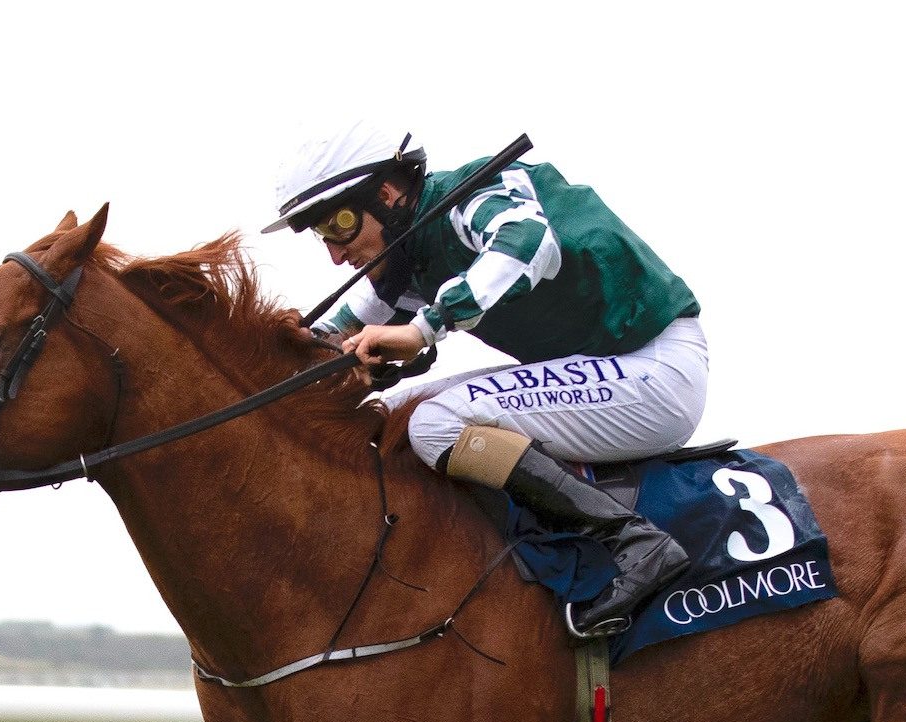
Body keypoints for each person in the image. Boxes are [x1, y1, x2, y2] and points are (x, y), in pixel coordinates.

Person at [265, 124, 707, 637]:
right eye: (324, 236)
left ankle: (631, 541)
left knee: (432, 424)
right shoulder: (408, 258)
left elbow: (528, 242)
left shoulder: (468, 199)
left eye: (340, 226)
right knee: (386, 416)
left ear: (386, 195)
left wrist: (423, 328)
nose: (337, 255)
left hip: (654, 370)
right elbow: (331, 335)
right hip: (602, 371)